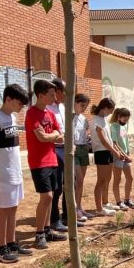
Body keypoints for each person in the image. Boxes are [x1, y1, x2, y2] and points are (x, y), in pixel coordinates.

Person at [0, 83, 32, 264]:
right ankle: (1, 248)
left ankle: (12, 243)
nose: (21, 108)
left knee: (13, 208)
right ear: (9, 99)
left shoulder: (11, 118)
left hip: (14, 171)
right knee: (4, 210)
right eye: (19, 104)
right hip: (2, 173)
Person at [25, 79, 68, 249]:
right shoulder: (32, 113)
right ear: (41, 95)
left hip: (52, 158)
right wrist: (52, 136)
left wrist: (49, 136)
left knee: (52, 195)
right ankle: (39, 233)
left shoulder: (50, 114)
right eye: (51, 95)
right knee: (47, 196)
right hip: (39, 161)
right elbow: (41, 137)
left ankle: (48, 230)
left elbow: (60, 134)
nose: (54, 97)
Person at [47, 78, 84, 230]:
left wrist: (72, 144)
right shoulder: (47, 108)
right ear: (57, 91)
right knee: (57, 186)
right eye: (64, 90)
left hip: (68, 148)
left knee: (71, 183)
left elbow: (68, 128)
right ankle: (54, 220)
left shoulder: (63, 107)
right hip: (54, 149)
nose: (67, 94)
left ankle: (68, 217)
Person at [90, 97, 127, 216]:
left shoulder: (103, 119)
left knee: (107, 179)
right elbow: (103, 140)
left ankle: (105, 203)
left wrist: (115, 151)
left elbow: (109, 139)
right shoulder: (96, 120)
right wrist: (115, 152)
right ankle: (99, 208)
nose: (112, 112)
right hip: (101, 152)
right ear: (105, 108)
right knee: (100, 181)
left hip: (108, 152)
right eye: (111, 109)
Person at [110, 107, 134, 210]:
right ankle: (118, 202)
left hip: (126, 155)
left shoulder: (123, 127)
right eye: (125, 119)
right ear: (118, 117)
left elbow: (125, 141)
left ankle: (127, 199)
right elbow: (115, 143)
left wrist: (128, 153)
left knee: (129, 178)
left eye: (127, 120)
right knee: (117, 179)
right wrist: (124, 155)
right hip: (118, 156)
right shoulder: (113, 127)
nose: (126, 121)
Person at [73, 93, 95, 221]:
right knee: (78, 179)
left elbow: (86, 132)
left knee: (81, 182)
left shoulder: (83, 118)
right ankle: (74, 209)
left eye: (85, 107)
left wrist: (88, 141)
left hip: (83, 149)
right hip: (74, 149)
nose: (83, 108)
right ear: (75, 103)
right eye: (81, 105)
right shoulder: (68, 117)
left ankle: (80, 207)